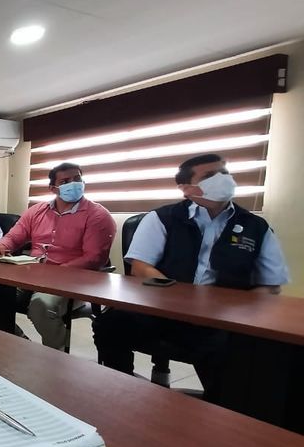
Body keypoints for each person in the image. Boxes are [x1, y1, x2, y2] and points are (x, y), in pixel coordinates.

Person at [93, 154, 289, 393]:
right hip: (165, 310)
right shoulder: (162, 218)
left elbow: (270, 284)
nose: (223, 179)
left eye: (225, 173)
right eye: (210, 175)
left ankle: (219, 407)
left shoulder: (256, 227)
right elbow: (141, 268)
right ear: (186, 188)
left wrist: (244, 316)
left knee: (248, 352)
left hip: (226, 319)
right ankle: (121, 390)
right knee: (110, 323)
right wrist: (181, 301)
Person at [0, 162, 116, 350]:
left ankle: (57, 358)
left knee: (41, 306)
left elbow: (94, 258)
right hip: (32, 276)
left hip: (72, 281)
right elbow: (14, 236)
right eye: (65, 181)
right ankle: (21, 342)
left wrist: (54, 273)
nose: (73, 184)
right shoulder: (37, 211)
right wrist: (1, 246)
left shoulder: (97, 215)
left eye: (77, 178)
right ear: (53, 188)